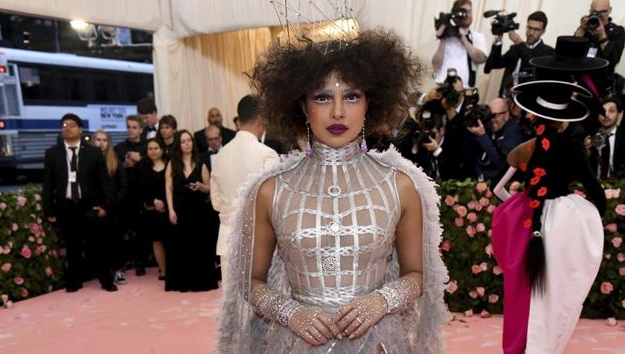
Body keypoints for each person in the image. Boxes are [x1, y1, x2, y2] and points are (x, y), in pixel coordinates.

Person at [216, 30, 448, 353]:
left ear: (370, 103)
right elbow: (250, 281)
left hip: (378, 344)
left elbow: (416, 274)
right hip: (297, 344)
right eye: (323, 97)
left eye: (351, 96)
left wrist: (381, 301)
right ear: (303, 105)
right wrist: (290, 312)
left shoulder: (400, 185)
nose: (338, 112)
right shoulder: (271, 190)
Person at [492, 80, 607, 354]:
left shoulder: (527, 148)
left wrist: (517, 205)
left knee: (522, 292)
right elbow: (595, 191)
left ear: (534, 114)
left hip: (527, 221)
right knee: (555, 294)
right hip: (561, 227)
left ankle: (521, 345)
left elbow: (497, 187)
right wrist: (592, 219)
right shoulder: (573, 148)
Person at [210, 95, 279, 280]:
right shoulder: (267, 154)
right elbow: (275, 204)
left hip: (227, 238)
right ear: (261, 118)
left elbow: (215, 202)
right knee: (260, 303)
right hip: (260, 241)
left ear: (239, 119)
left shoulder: (220, 155)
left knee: (232, 302)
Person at [43, 114, 113, 292]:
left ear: (80, 129)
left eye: (72, 125)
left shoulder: (93, 152)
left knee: (97, 245)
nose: (67, 128)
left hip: (89, 206)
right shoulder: (52, 153)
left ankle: (106, 281)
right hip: (66, 206)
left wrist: (105, 206)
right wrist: (49, 210)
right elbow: (48, 185)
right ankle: (74, 281)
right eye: (64, 125)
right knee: (71, 246)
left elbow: (103, 182)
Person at [165, 130, 218, 292]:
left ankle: (202, 281)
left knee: (200, 246)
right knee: (182, 247)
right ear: (178, 145)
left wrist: (201, 187)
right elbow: (168, 188)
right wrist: (171, 210)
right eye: (183, 141)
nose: (187, 144)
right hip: (180, 209)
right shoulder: (172, 164)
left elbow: (209, 187)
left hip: (199, 210)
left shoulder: (201, 161)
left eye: (189, 140)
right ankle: (183, 282)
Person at [484, 11, 555, 97]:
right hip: (505, 98)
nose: (531, 33)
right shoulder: (515, 48)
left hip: (526, 103)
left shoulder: (548, 52)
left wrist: (519, 42)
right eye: (529, 28)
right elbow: (492, 64)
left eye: (536, 29)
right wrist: (498, 40)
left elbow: (532, 65)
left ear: (543, 31)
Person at [91, 130, 127, 291]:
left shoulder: (115, 160)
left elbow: (123, 185)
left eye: (105, 140)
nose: (101, 143)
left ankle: (116, 270)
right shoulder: (88, 161)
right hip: (96, 210)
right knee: (99, 245)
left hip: (114, 210)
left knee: (115, 242)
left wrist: (111, 205)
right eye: (98, 139)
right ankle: (103, 275)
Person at [113, 114, 147, 281]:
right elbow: (114, 170)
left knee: (141, 229)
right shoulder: (119, 148)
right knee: (124, 229)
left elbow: (152, 167)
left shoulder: (149, 147)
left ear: (141, 129)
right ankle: (125, 261)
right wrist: (125, 166)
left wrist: (140, 160)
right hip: (125, 195)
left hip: (143, 194)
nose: (131, 130)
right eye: (129, 127)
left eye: (134, 127)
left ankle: (141, 262)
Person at [432, 0, 487, 88]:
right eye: (464, 11)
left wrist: (464, 40)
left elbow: (481, 59)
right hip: (443, 85)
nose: (468, 15)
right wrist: (443, 39)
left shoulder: (478, 37)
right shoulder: (444, 34)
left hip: (465, 88)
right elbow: (436, 64)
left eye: (470, 11)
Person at [139, 138, 169, 280]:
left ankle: (174, 268)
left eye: (156, 148)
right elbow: (141, 190)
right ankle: (163, 271)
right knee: (157, 241)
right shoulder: (142, 167)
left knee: (171, 240)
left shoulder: (170, 165)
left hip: (170, 208)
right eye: (150, 149)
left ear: (162, 150)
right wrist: (154, 201)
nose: (153, 151)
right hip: (152, 210)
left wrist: (165, 203)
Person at [574, 0, 625, 74]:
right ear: (590, 11)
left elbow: (614, 59)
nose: (598, 15)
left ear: (610, 10)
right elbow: (571, 53)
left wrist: (602, 35)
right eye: (594, 12)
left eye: (602, 12)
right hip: (580, 72)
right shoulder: (585, 29)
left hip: (602, 76)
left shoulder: (617, 31)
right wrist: (581, 29)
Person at [588, 97, 625, 179]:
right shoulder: (590, 136)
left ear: (619, 114)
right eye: (602, 111)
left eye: (611, 111)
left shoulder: (623, 136)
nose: (606, 115)